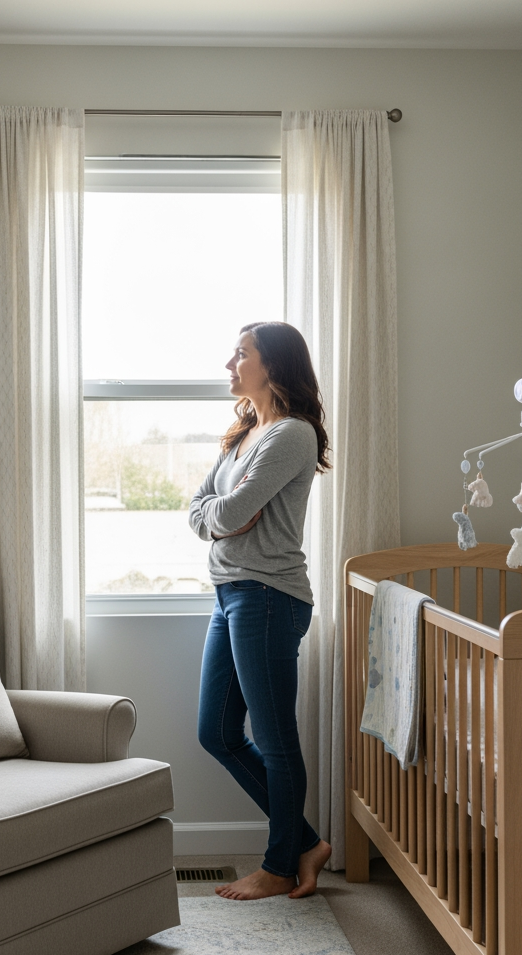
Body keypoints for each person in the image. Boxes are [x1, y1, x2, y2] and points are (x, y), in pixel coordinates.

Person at [189, 321, 332, 900]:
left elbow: (230, 512)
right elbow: (204, 511)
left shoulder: (291, 435)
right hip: (231, 594)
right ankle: (305, 842)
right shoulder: (245, 434)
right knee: (216, 733)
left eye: (240, 354)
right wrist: (223, 519)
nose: (230, 363)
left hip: (269, 597)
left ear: (271, 365)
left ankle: (279, 864)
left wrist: (225, 517)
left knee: (274, 739)